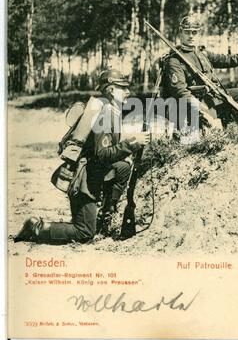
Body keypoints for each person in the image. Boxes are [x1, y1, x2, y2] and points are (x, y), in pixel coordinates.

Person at [14, 69, 150, 244]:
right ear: (110, 90)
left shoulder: (110, 111)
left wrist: (131, 143)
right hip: (82, 179)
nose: (128, 92)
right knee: (84, 232)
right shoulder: (105, 115)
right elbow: (102, 155)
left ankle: (104, 216)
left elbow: (107, 151)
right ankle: (36, 227)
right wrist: (132, 144)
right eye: (122, 88)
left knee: (123, 167)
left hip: (92, 172)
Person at [162, 9, 238, 127]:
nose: (191, 36)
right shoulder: (174, 60)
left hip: (212, 97)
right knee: (210, 121)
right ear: (180, 33)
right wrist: (202, 109)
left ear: (198, 34)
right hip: (192, 105)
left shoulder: (202, 53)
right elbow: (181, 92)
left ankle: (230, 128)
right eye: (187, 32)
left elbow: (230, 60)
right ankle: (214, 129)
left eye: (194, 32)